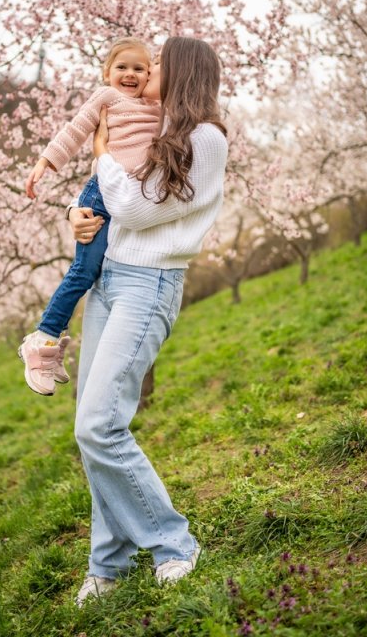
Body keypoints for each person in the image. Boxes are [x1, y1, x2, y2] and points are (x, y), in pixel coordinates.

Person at [66, 36, 228, 605]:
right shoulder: (154, 130)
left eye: (158, 62)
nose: (147, 70)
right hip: (109, 280)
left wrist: (102, 155)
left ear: (180, 73)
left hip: (149, 284)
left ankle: (173, 543)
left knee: (98, 425)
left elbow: (136, 206)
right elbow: (111, 202)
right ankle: (107, 564)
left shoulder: (205, 140)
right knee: (92, 426)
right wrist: (78, 215)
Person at [20, 37, 161, 396]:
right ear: (107, 73)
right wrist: (44, 163)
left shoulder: (157, 106)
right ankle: (43, 339)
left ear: (151, 73)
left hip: (127, 197)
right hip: (101, 195)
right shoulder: (106, 98)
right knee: (85, 269)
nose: (131, 74)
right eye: (122, 68)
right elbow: (76, 129)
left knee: (100, 269)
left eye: (139, 69)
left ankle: (53, 343)